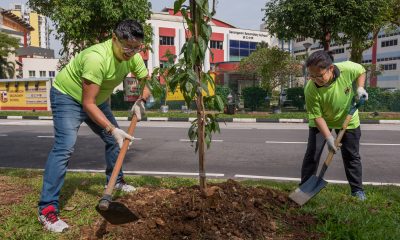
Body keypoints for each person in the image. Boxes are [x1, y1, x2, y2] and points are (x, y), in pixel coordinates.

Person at [37, 19, 150, 233]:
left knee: (114, 142)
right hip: (68, 97)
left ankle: (116, 182)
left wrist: (141, 101)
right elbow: (87, 103)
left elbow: (146, 80)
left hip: (95, 101)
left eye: (137, 47)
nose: (132, 52)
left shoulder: (133, 56)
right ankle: (47, 210)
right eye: (127, 46)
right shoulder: (96, 58)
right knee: (65, 147)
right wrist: (112, 128)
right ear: (114, 38)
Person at [300, 50, 368, 201]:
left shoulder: (347, 69)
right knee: (313, 154)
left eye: (320, 75)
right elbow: (317, 116)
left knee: (351, 156)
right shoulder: (310, 89)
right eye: (312, 76)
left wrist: (360, 88)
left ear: (330, 68)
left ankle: (357, 190)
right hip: (321, 120)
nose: (316, 79)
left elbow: (361, 70)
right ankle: (305, 188)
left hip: (348, 118)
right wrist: (329, 137)